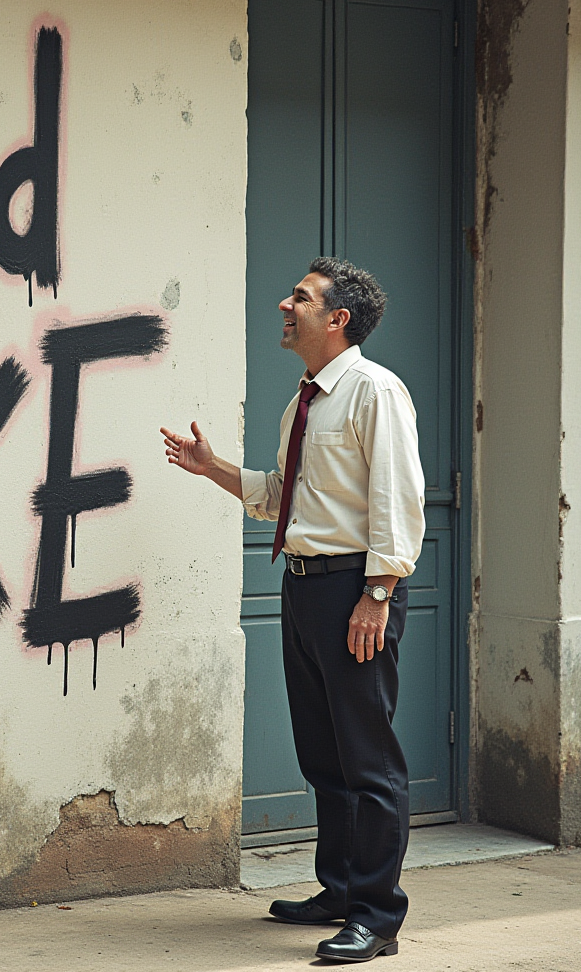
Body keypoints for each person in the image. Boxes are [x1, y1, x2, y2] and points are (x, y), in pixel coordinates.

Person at [160, 257, 425, 963]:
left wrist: (378, 592)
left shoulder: (374, 391)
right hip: (304, 588)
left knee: (368, 762)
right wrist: (211, 465)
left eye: (301, 298)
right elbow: (282, 496)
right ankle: (339, 891)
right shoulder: (304, 399)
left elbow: (399, 500)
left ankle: (376, 916)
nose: (286, 304)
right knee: (324, 756)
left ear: (338, 320)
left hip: (354, 593)